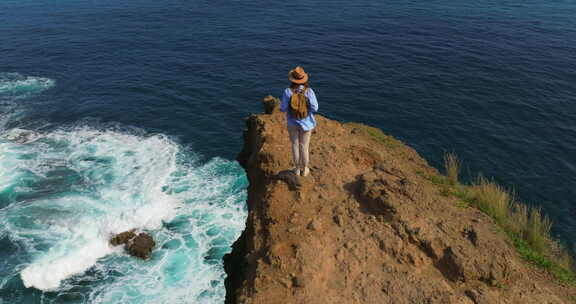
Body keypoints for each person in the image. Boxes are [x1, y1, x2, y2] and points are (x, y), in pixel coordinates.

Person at [280, 66, 319, 177]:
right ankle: (305, 169)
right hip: (307, 123)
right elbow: (315, 108)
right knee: (304, 146)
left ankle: (297, 169)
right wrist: (307, 111)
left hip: (292, 123)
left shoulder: (288, 92)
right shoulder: (309, 91)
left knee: (295, 145)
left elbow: (283, 108)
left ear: (292, 79)